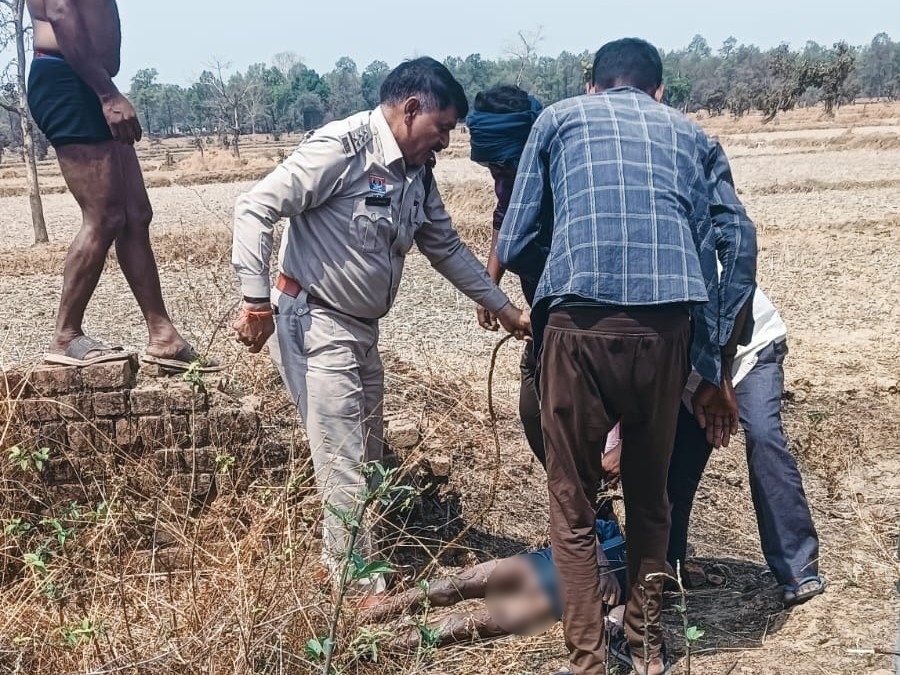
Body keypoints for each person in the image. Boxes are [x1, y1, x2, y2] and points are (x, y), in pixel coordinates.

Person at [498, 38, 757, 675]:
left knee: (573, 503)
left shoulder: (557, 118)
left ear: (593, 85)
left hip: (577, 326)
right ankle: (646, 649)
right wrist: (714, 361)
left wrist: (502, 283)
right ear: (658, 90)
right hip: (666, 331)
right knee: (650, 500)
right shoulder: (694, 136)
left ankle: (588, 661)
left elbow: (522, 229)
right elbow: (739, 240)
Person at [231, 57, 531, 602]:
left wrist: (506, 310)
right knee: (343, 454)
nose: (444, 141)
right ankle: (356, 587)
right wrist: (255, 303)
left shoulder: (418, 173)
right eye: (441, 127)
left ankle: (345, 563)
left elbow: (444, 246)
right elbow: (255, 207)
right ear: (412, 108)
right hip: (315, 319)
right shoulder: (343, 149)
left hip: (360, 329)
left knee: (364, 452)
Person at [26, 0, 216, 371]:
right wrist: (107, 94)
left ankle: (162, 335)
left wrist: (105, 87)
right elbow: (62, 13)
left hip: (87, 77)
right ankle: (66, 336)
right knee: (106, 215)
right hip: (67, 78)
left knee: (134, 212)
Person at [667, 286, 825, 606]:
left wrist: (720, 379)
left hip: (747, 352)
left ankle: (798, 567)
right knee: (676, 465)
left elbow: (731, 300)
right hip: (687, 372)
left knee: (764, 437)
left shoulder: (692, 249)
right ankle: (666, 567)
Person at [467, 84, 549, 464]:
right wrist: (490, 288)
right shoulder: (510, 173)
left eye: (503, 164)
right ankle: (596, 511)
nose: (498, 175)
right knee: (534, 413)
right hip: (542, 309)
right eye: (491, 168)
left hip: (579, 312)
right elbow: (504, 219)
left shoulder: (560, 169)